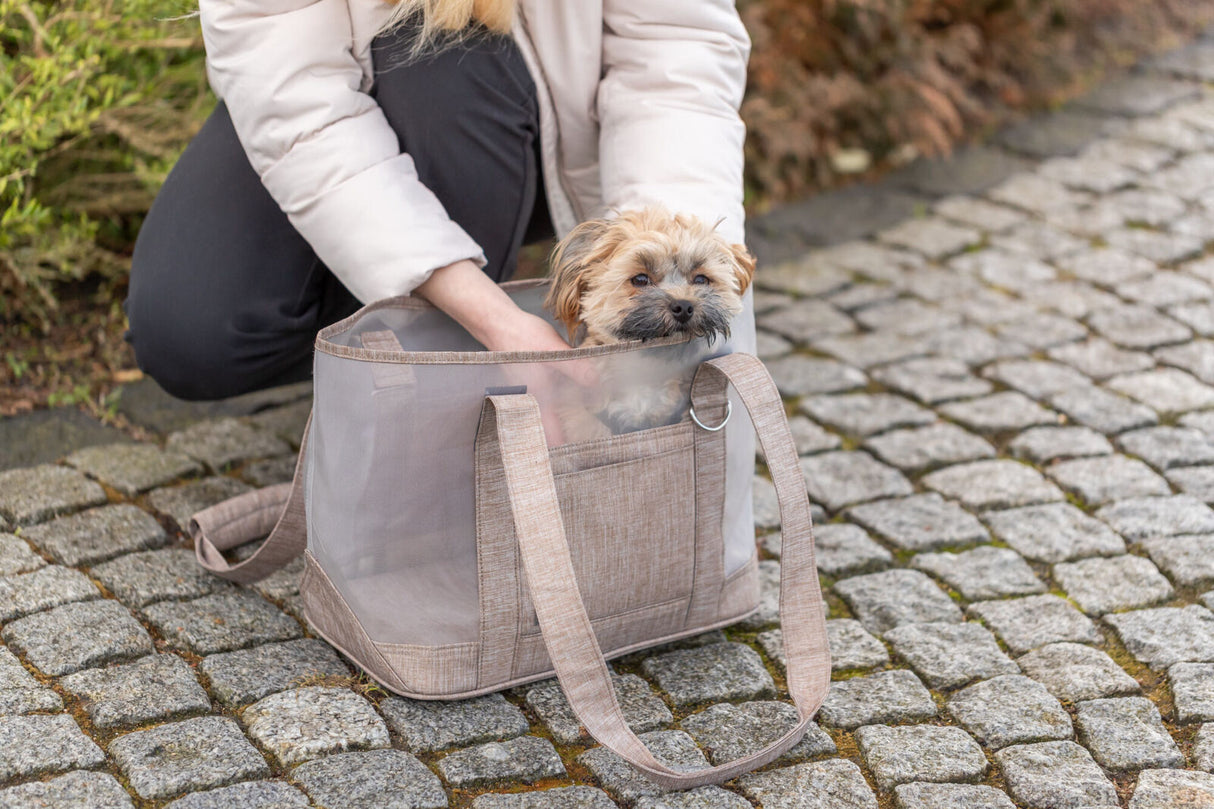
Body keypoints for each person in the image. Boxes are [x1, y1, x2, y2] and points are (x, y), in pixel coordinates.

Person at [124, 0, 755, 401]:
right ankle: (423, 351)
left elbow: (676, 52)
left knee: (443, 65)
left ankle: (448, 385)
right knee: (192, 332)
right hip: (318, 91)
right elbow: (293, 98)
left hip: (532, 118)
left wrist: (666, 254)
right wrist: (498, 322)